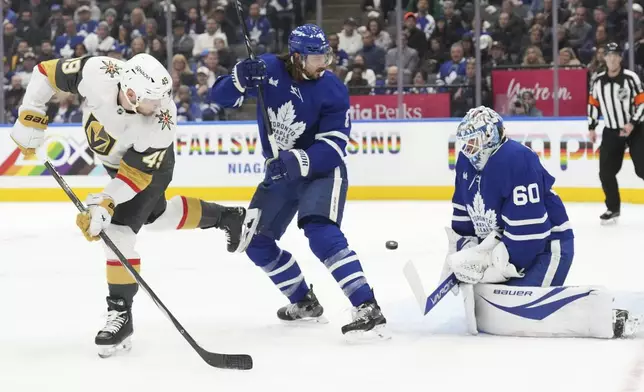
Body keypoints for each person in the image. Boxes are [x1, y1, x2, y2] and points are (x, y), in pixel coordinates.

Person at [9, 53, 254, 358]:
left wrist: (105, 202)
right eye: (153, 99)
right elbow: (45, 72)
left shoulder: (160, 123)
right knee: (157, 216)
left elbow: (135, 177)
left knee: (119, 233)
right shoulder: (98, 71)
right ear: (131, 92)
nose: (162, 104)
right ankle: (226, 216)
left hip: (148, 169)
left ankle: (120, 315)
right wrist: (30, 112)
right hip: (116, 164)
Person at [208, 24, 388, 339]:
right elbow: (220, 98)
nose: (325, 64)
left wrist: (299, 160)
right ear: (296, 57)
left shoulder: (333, 89)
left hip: (320, 172)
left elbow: (334, 146)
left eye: (327, 56)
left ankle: (367, 306)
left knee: (319, 231)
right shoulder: (268, 69)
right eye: (317, 58)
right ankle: (304, 302)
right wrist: (238, 78)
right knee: (255, 241)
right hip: (281, 172)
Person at [440, 106, 638, 339]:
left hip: (547, 247)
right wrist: (463, 253)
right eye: (465, 143)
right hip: (505, 243)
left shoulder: (516, 159)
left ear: (489, 137)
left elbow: (530, 234)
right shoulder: (465, 161)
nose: (467, 149)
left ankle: (602, 315)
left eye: (473, 142)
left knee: (512, 312)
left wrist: (495, 269)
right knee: (487, 306)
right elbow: (463, 211)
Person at [588, 42, 644, 224]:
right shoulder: (598, 80)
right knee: (605, 172)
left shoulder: (631, 78)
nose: (612, 58)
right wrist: (591, 126)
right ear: (604, 58)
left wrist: (632, 123)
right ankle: (613, 208)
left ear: (620, 58)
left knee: (642, 169)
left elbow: (641, 102)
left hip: (636, 130)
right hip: (612, 130)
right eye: (609, 55)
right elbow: (593, 104)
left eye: (615, 55)